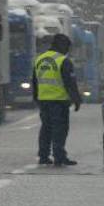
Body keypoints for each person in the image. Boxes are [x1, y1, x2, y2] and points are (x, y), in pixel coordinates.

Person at [32, 33, 82, 166]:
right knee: (59, 129)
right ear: (62, 45)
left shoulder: (39, 59)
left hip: (43, 100)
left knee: (46, 128)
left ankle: (43, 156)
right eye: (67, 47)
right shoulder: (63, 61)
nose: (67, 51)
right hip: (59, 101)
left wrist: (36, 98)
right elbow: (70, 83)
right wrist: (76, 99)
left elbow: (35, 81)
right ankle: (59, 156)